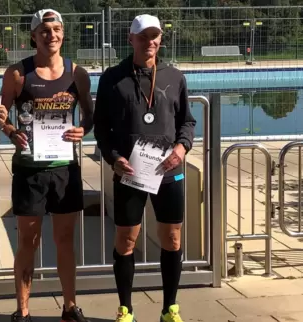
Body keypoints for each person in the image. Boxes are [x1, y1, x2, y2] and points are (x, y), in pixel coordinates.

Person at [93, 14, 196, 322]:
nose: (149, 41)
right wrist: (114, 158)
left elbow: (187, 122)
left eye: (155, 36)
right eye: (143, 36)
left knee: (172, 238)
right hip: (131, 173)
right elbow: (101, 129)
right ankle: (126, 309)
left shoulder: (174, 77)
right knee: (126, 240)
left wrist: (181, 148)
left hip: (168, 172)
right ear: (131, 38)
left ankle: (169, 309)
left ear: (160, 39)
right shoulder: (112, 78)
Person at [0, 8, 94, 322]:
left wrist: (83, 129)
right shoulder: (17, 73)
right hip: (29, 170)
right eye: (45, 31)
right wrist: (11, 131)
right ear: (34, 36)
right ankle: (23, 310)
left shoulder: (77, 73)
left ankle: (69, 306)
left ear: (63, 33)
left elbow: (89, 115)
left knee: (64, 241)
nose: (51, 35)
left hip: (65, 168)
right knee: (28, 241)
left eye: (56, 29)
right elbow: (1, 115)